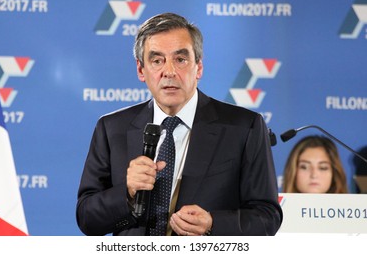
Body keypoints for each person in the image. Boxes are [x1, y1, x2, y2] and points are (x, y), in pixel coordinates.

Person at [76, 12, 282, 236]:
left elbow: (267, 217)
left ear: (199, 67)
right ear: (141, 70)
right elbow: (87, 218)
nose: (169, 72)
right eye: (157, 61)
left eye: (180, 59)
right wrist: (127, 192)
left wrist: (213, 224)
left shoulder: (244, 127)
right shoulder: (111, 128)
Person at [282, 135, 348, 193]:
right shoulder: (276, 206)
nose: (314, 175)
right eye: (304, 167)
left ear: (334, 173)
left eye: (323, 168)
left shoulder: (352, 206)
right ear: (292, 171)